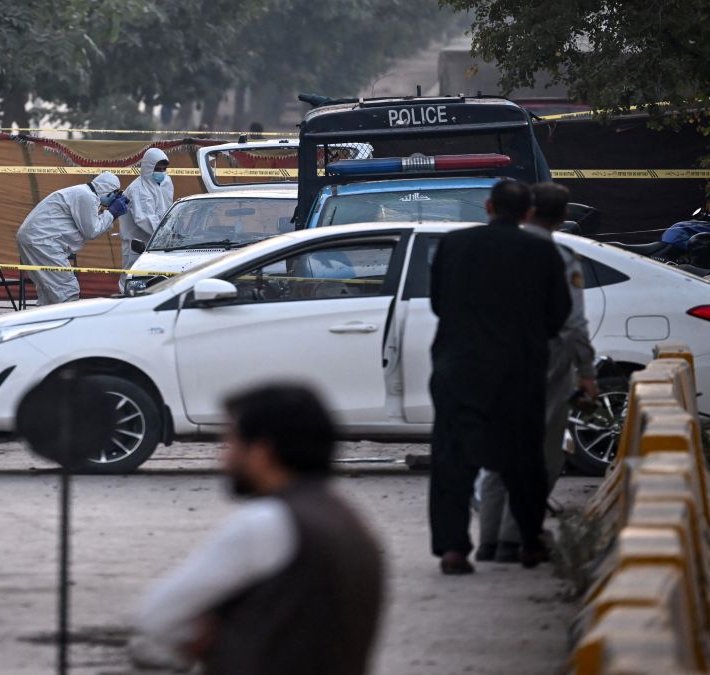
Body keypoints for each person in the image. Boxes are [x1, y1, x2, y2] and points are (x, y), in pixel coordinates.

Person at [132, 385, 384, 675]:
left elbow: (160, 615)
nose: (224, 458)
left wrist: (217, 634)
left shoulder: (267, 522)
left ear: (261, 452)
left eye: (230, 443)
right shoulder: (345, 516)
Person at [428, 179, 572, 574]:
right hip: (518, 370)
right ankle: (528, 543)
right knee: (524, 458)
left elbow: (439, 304)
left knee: (452, 458)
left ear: (488, 207)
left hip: (458, 367)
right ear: (528, 214)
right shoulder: (542, 251)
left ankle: (454, 550)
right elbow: (558, 315)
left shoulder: (454, 245)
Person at [476, 182, 598, 562]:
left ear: (527, 211)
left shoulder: (491, 249)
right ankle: (518, 538)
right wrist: (587, 370)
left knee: (499, 447)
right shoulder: (558, 256)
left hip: (495, 359)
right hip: (548, 361)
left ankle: (489, 540)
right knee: (541, 452)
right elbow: (573, 322)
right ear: (562, 218)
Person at [16, 172, 128, 305]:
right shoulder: (85, 196)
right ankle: (68, 322)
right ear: (108, 190)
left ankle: (45, 323)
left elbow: (93, 225)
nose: (115, 199)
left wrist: (111, 215)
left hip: (37, 239)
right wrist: (111, 212)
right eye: (115, 194)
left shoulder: (84, 194)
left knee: (49, 293)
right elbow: (91, 231)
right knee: (67, 290)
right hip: (42, 241)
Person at [118, 148, 173, 285]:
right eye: (158, 169)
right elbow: (144, 219)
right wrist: (166, 234)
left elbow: (167, 209)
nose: (161, 173)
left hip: (157, 240)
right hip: (136, 242)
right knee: (132, 277)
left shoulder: (166, 182)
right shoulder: (138, 189)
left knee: (154, 280)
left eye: (163, 169)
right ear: (148, 168)